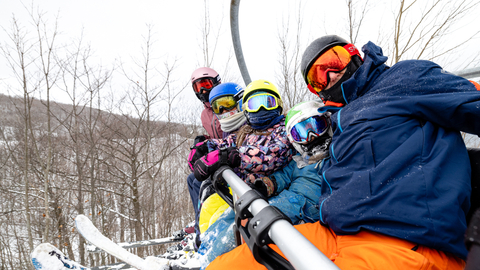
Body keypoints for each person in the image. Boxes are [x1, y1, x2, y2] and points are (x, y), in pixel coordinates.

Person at [206, 35, 480, 270]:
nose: (329, 76)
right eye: (316, 77)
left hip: (403, 239)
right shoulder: (336, 119)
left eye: (333, 62)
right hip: (333, 234)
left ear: (354, 55)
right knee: (231, 263)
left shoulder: (404, 79)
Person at [179, 67, 223, 249]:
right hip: (218, 153)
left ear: (216, 83)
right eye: (199, 88)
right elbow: (215, 136)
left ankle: (202, 229)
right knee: (192, 179)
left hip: (228, 155)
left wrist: (212, 146)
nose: (203, 91)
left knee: (200, 182)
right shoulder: (205, 114)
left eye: (206, 85)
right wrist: (203, 141)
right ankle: (200, 217)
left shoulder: (225, 103)